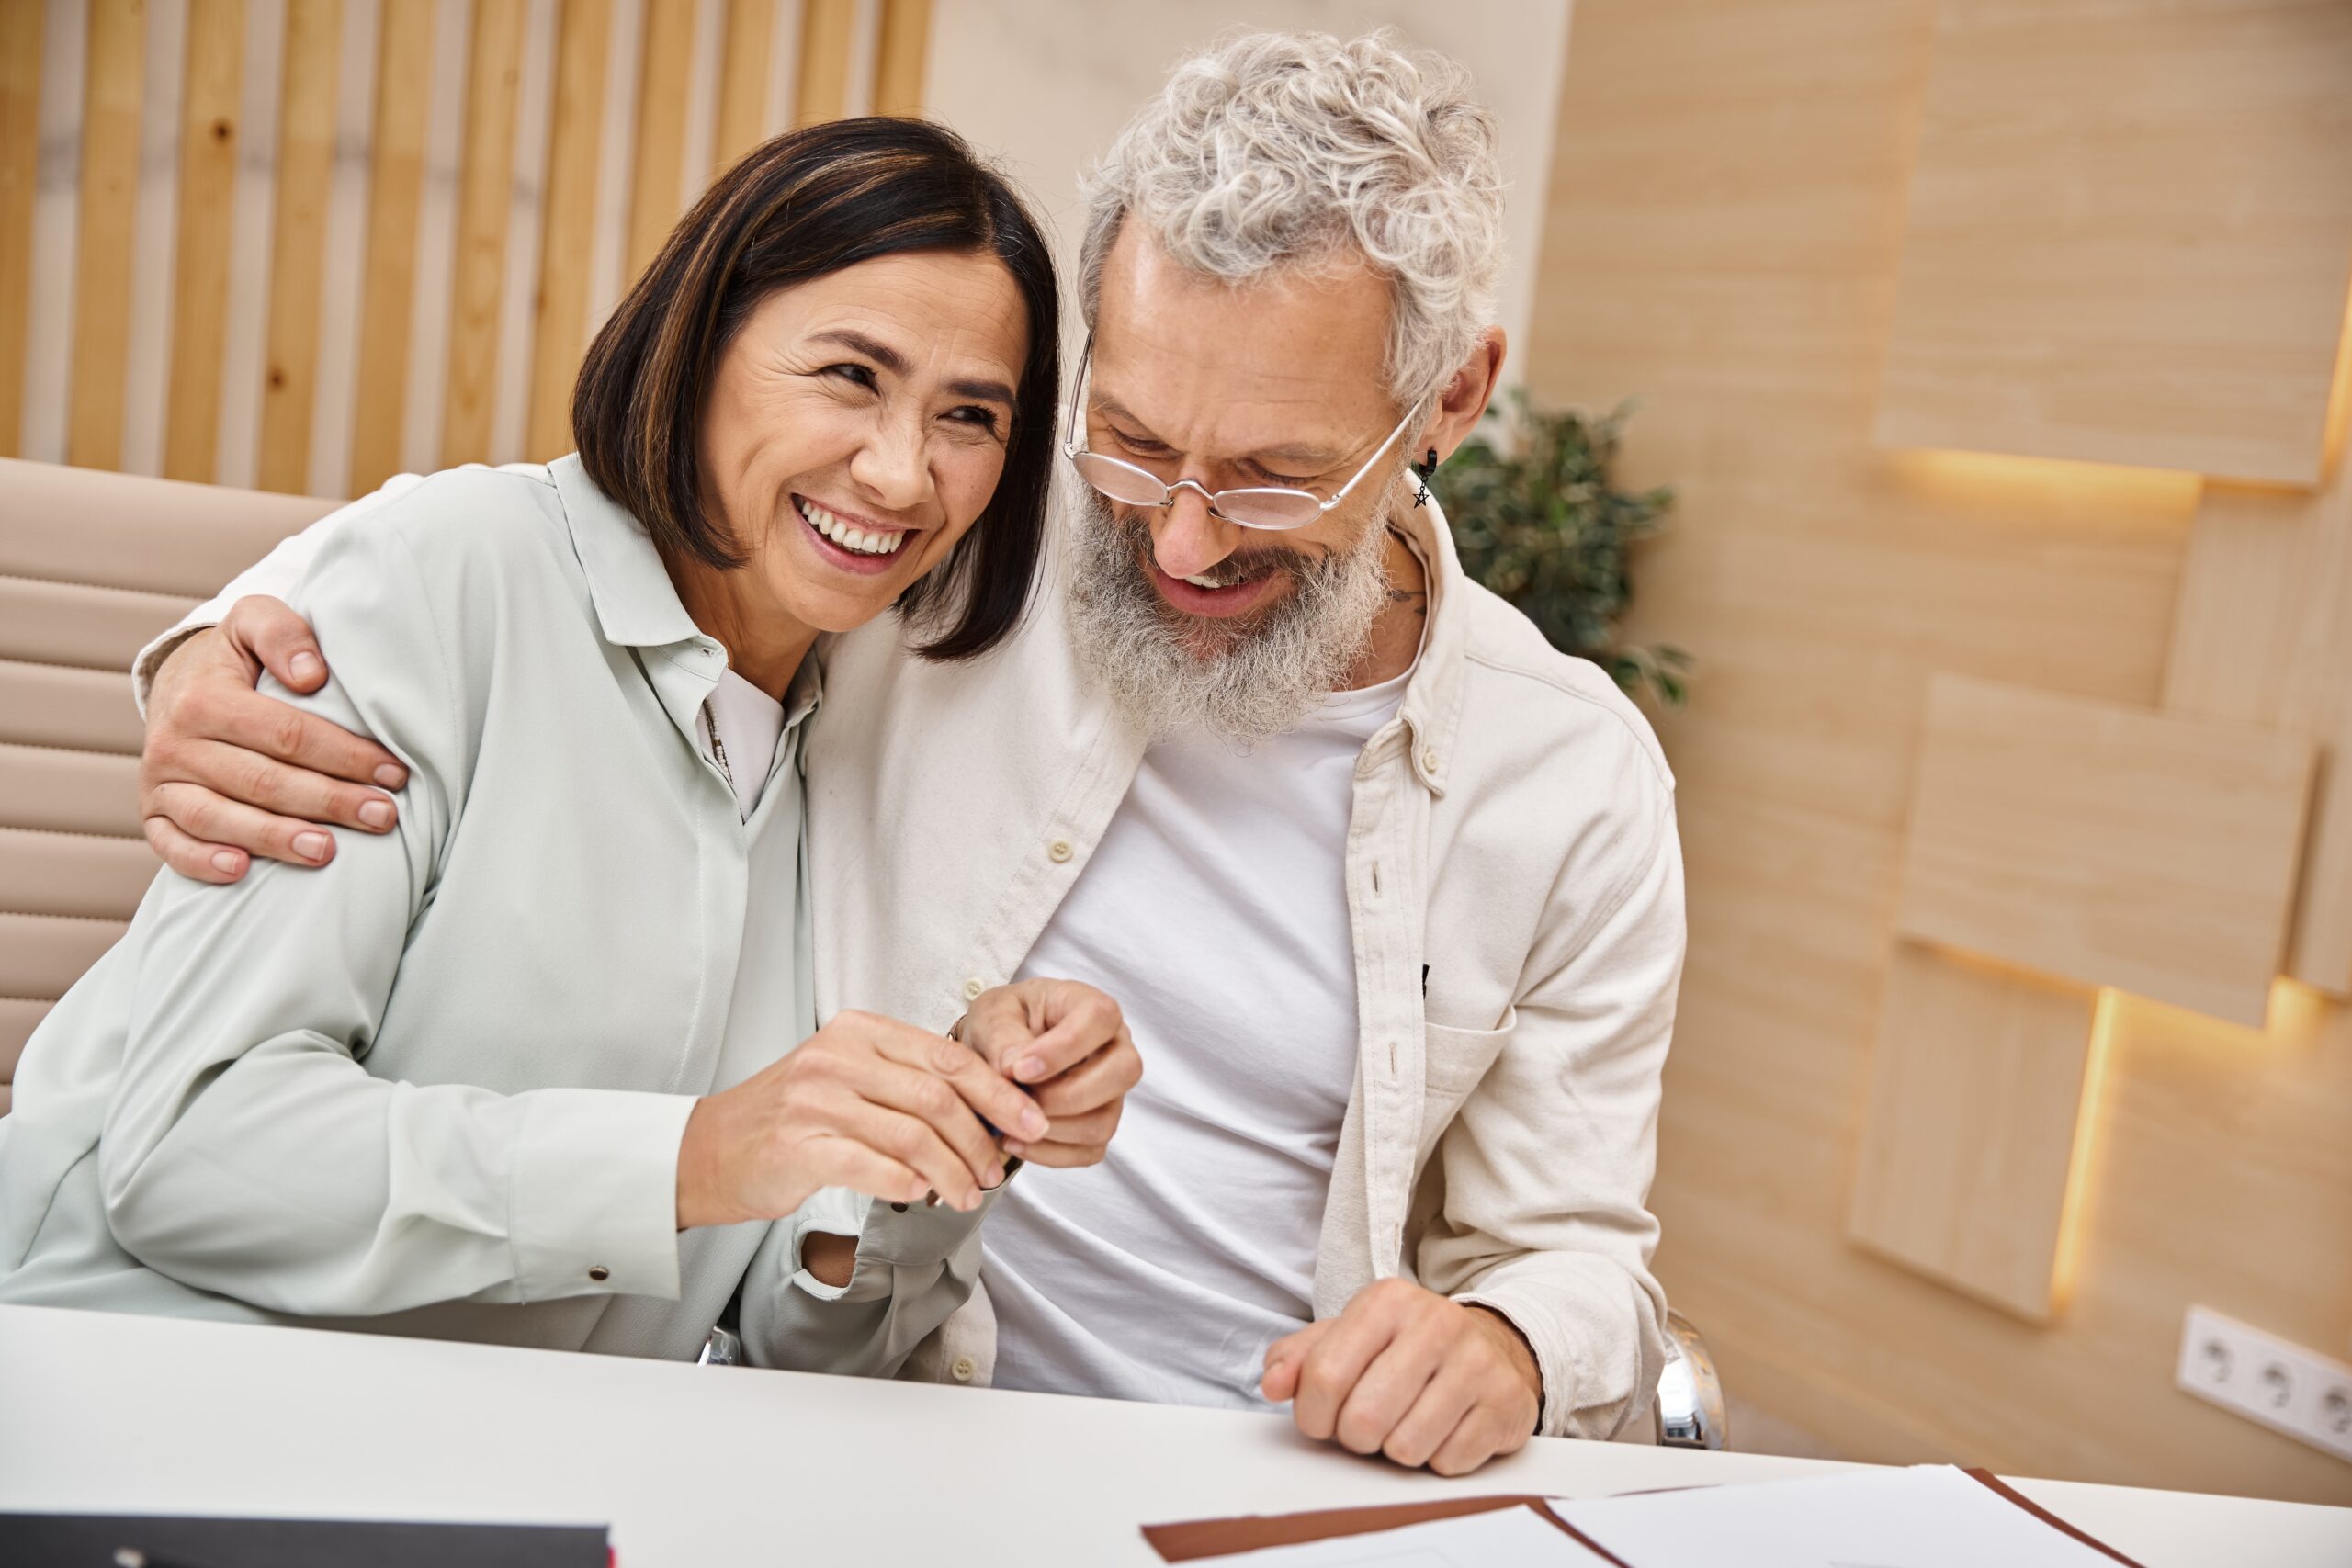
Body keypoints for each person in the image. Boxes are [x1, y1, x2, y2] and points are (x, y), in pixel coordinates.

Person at [130, 31, 1683, 1475]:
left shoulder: (1574, 780)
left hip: (1282, 1476)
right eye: (1135, 440)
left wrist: (1508, 1344)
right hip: (889, 1442)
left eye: (1275, 477)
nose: (1186, 539)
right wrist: (220, 642)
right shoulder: (960, 529)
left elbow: (1578, 1256)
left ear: (1449, 400)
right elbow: (636, 517)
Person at [0, 118, 1143, 1370]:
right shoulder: (443, 579)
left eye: (968, 415)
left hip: (532, 1473)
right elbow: (190, 1155)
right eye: (850, 375)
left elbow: (795, 1348)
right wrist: (695, 1158)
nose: (899, 473)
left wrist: (932, 1144)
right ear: (699, 346)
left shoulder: (863, 736)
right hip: (131, 1390)